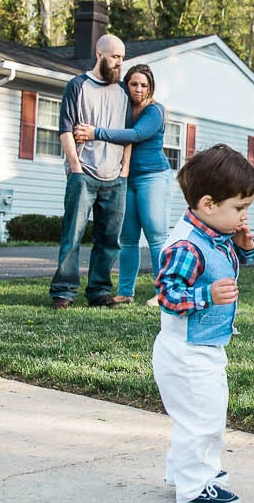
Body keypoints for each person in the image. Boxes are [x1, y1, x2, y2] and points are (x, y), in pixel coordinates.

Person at [153, 144, 254, 503]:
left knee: (204, 415)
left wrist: (245, 246)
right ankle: (194, 487)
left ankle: (187, 470)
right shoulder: (187, 245)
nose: (244, 215)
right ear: (208, 204)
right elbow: (168, 295)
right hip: (187, 352)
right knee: (202, 419)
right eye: (240, 207)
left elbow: (231, 255)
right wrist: (207, 295)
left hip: (204, 347)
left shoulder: (214, 232)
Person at [73, 63, 171, 306]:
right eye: (134, 84)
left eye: (144, 85)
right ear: (126, 85)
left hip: (153, 177)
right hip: (125, 177)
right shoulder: (123, 109)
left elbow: (135, 135)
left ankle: (164, 293)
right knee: (128, 238)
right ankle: (126, 292)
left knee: (156, 236)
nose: (138, 89)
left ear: (150, 88)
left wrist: (95, 132)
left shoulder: (155, 111)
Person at [49, 33, 131, 310]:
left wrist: (124, 170)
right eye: (115, 57)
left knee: (109, 240)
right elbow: (65, 128)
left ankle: (99, 291)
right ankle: (64, 292)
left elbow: (128, 134)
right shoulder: (77, 86)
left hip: (115, 177)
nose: (119, 63)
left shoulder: (123, 92)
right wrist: (75, 166)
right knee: (73, 235)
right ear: (99, 55)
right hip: (83, 173)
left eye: (122, 58)